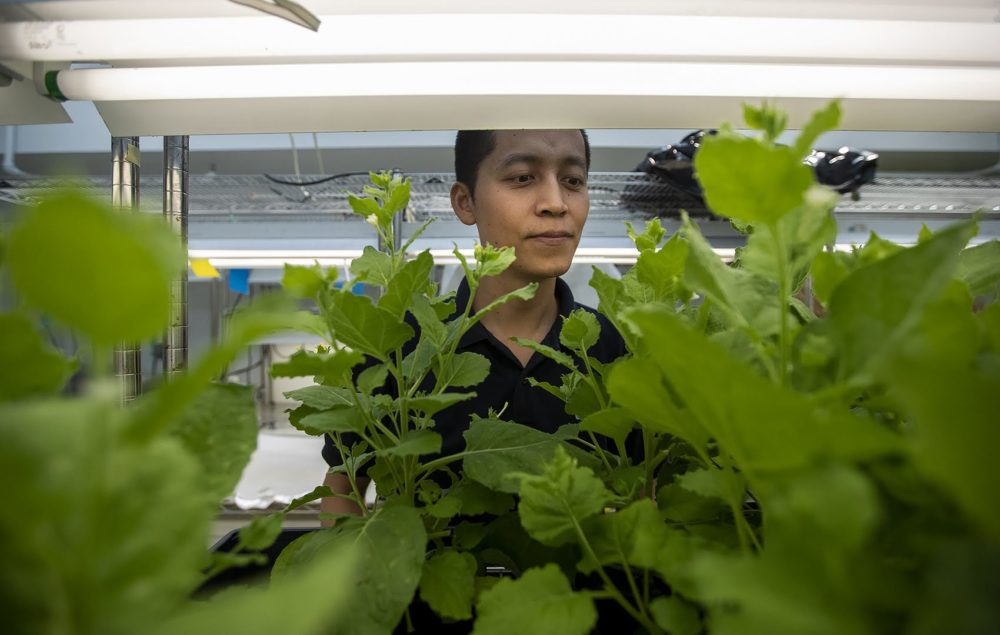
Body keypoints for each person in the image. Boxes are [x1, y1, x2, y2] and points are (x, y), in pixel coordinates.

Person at [320, 129, 626, 520]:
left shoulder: (609, 349)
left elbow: (642, 491)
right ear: (466, 203)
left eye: (573, 181)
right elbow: (343, 485)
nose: (555, 203)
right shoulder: (397, 346)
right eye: (522, 178)